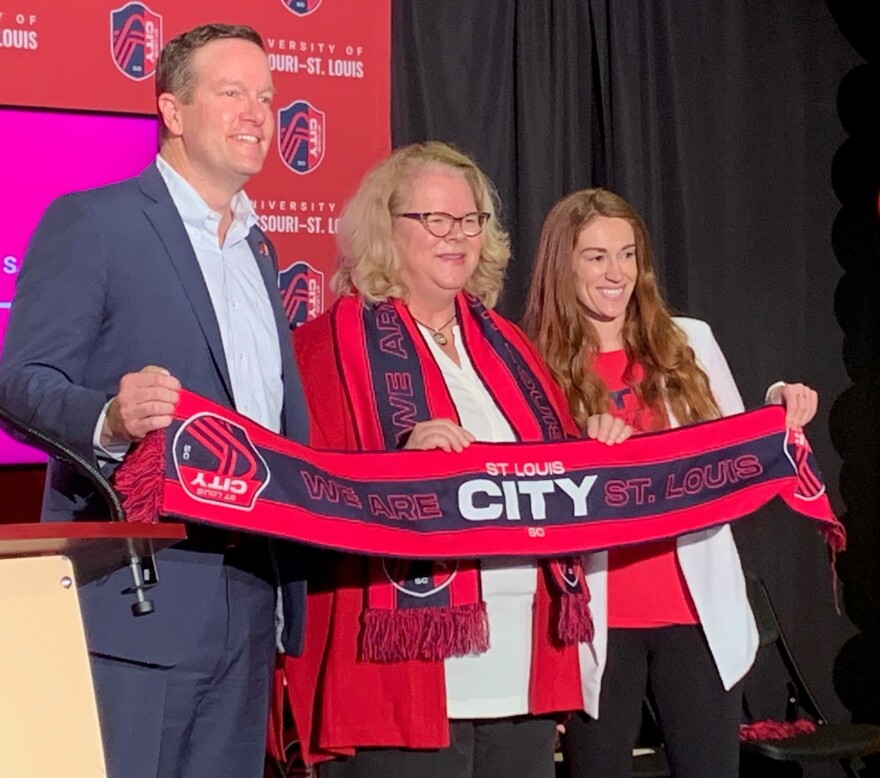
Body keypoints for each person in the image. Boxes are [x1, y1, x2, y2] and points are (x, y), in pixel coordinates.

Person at [0, 24, 309, 778]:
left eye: (266, 97)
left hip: (250, 600)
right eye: (232, 93)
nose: (258, 115)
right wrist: (109, 414)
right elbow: (19, 380)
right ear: (173, 110)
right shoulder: (96, 222)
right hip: (139, 602)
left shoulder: (259, 250)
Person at [286, 142, 630, 778]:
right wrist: (399, 461)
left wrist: (592, 445)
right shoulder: (323, 348)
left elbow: (550, 482)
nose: (458, 237)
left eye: (470, 221)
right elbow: (304, 497)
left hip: (518, 667)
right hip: (400, 677)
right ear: (386, 229)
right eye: (435, 221)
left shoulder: (510, 349)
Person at [524, 188, 818, 778]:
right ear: (564, 264)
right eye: (596, 256)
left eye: (628, 255)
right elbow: (523, 489)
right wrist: (579, 443)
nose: (617, 274)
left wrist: (777, 404)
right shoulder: (531, 361)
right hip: (595, 623)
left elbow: (732, 440)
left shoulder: (688, 342)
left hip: (694, 613)